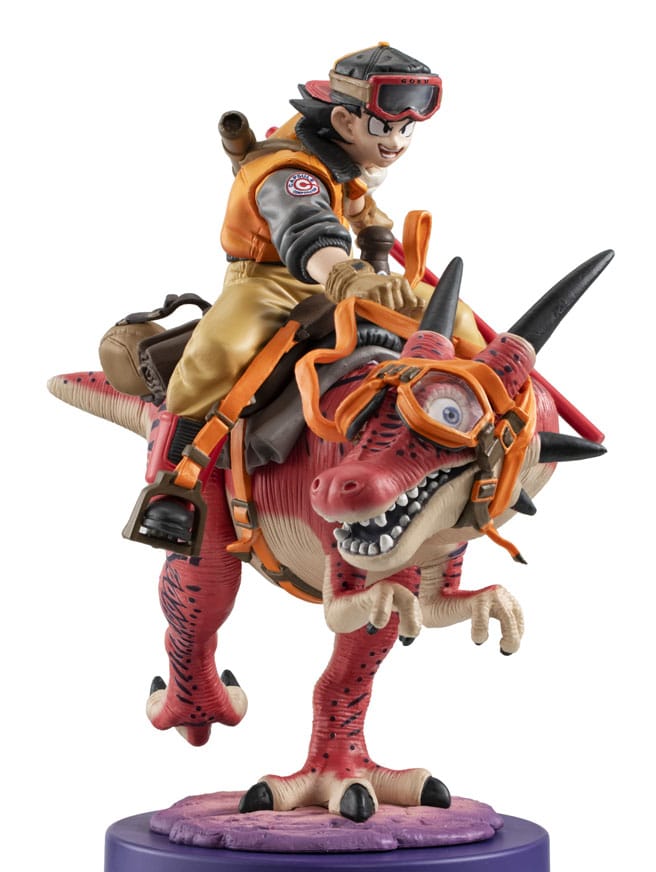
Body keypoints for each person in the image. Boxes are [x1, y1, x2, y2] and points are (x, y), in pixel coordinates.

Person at [134, 43, 484, 549]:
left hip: (351, 270)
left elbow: (354, 199)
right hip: (269, 280)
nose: (397, 142)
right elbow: (308, 230)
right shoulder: (289, 173)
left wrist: (373, 231)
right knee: (218, 355)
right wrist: (348, 278)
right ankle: (172, 485)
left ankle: (493, 416)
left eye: (407, 129)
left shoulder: (342, 151)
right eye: (385, 128)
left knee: (457, 318)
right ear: (343, 120)